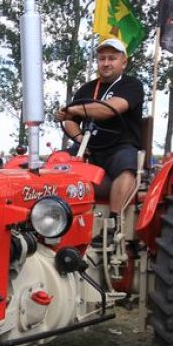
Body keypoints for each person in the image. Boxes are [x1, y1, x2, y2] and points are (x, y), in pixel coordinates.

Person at [55, 36, 143, 220]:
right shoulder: (87, 88)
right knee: (57, 162)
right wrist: (79, 138)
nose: (106, 63)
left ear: (123, 62)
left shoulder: (131, 85)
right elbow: (71, 120)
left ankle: (114, 221)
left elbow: (111, 109)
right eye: (102, 59)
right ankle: (55, 216)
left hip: (120, 146)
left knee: (126, 166)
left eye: (112, 58)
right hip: (89, 147)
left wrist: (72, 110)